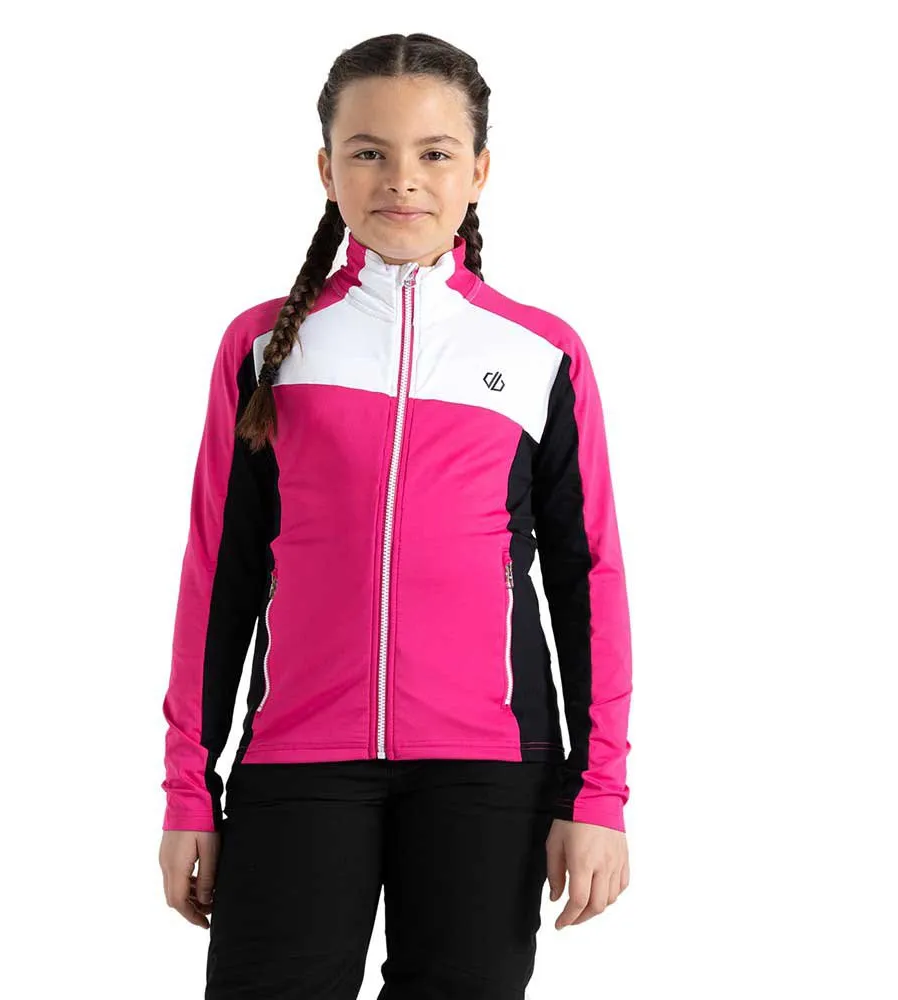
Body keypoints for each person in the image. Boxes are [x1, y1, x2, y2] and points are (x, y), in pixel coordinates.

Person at [158, 31, 633, 1000]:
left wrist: (599, 794)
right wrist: (186, 789)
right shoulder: (265, 346)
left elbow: (588, 579)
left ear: (479, 171)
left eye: (435, 152)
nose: (401, 178)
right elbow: (219, 573)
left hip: (489, 769)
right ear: (326, 168)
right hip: (298, 757)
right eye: (369, 150)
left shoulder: (540, 353)